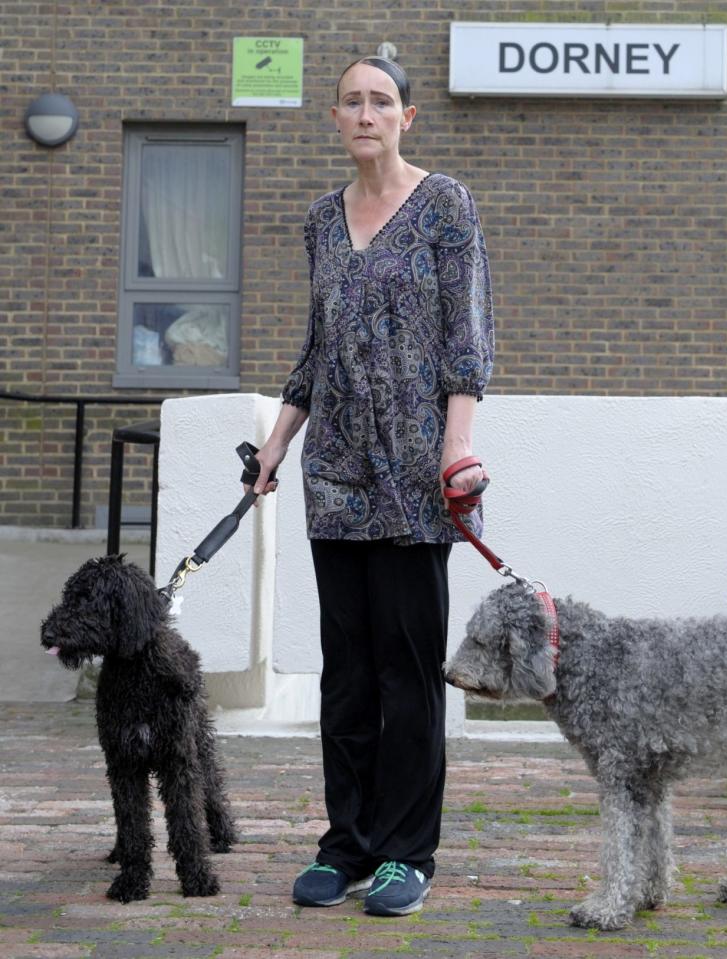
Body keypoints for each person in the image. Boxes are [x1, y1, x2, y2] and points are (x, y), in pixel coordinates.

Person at [249, 55, 494, 918]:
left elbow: (468, 343)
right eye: (351, 101)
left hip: (418, 479)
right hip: (337, 477)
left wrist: (456, 446)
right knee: (346, 673)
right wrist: (276, 444)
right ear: (334, 116)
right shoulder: (320, 219)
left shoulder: (446, 207)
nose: (366, 114)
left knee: (407, 672)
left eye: (380, 101)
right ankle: (345, 843)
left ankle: (405, 854)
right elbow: (315, 349)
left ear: (407, 116)